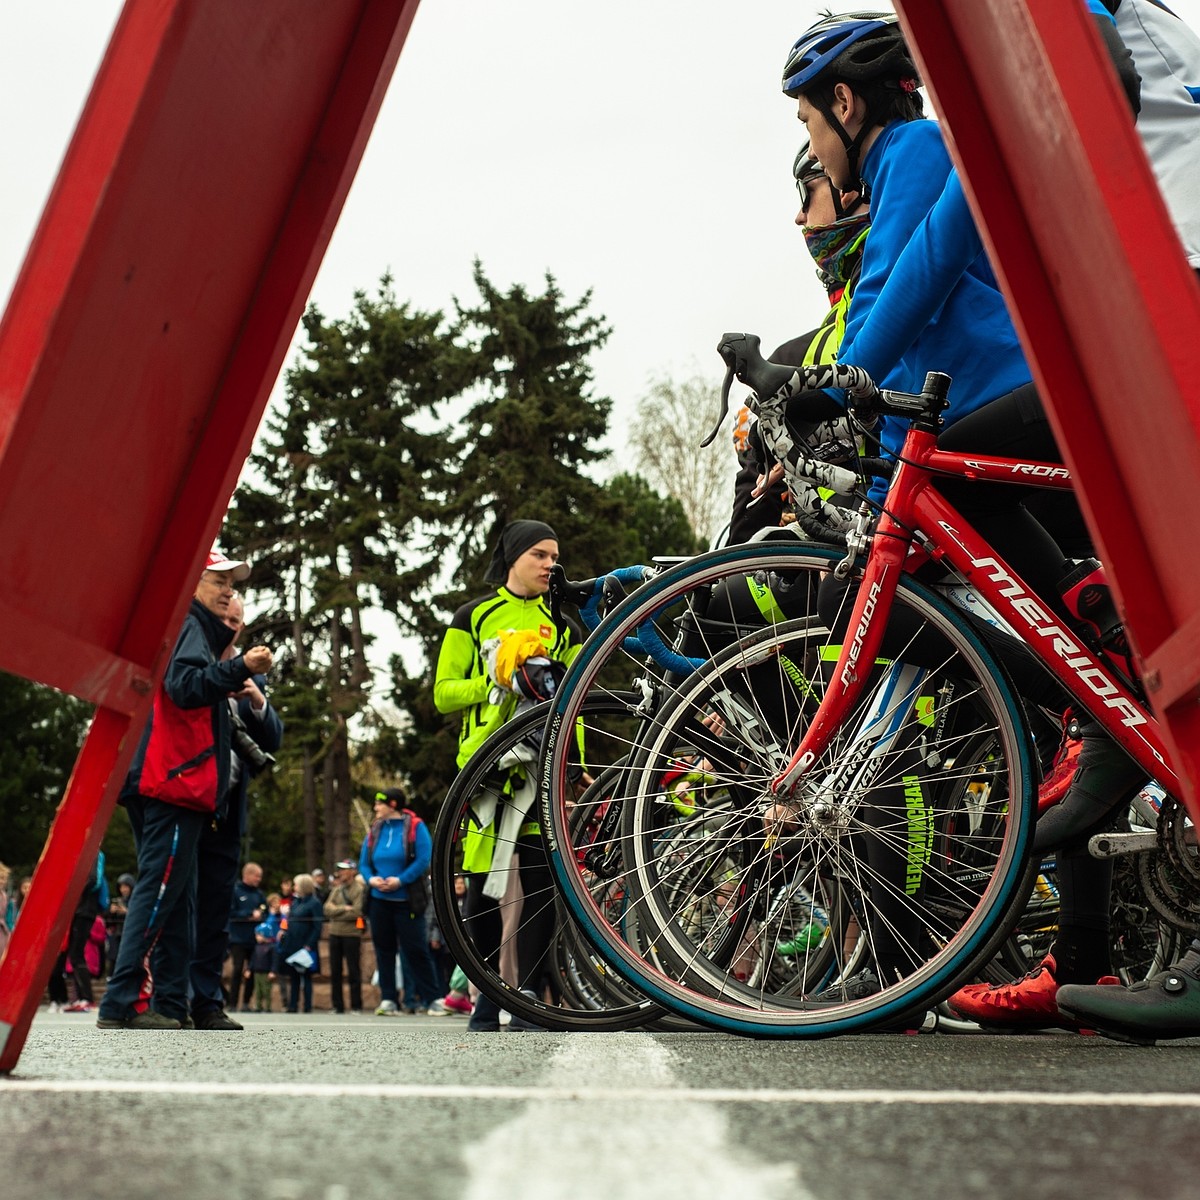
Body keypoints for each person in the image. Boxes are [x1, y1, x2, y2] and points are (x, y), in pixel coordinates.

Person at [96, 549, 274, 1031]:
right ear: (192, 583)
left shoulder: (188, 626)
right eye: (218, 581)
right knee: (157, 893)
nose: (227, 592)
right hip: (174, 784)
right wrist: (240, 671)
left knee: (176, 900)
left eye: (232, 586)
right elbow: (183, 686)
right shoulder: (190, 624)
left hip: (169, 783)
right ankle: (120, 1001)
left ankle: (171, 1004)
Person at [433, 519, 581, 1031]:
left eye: (555, 556)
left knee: (542, 885)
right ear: (514, 556)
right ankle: (485, 1000)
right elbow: (443, 692)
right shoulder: (471, 616)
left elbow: (573, 700)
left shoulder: (562, 623)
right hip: (486, 769)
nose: (550, 565)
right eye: (540, 554)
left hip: (541, 764)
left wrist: (574, 766)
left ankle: (529, 1001)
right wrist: (496, 680)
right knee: (482, 889)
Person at [188, 591, 283, 1030]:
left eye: (239, 621)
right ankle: (174, 995)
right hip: (185, 802)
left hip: (227, 809)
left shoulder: (253, 676)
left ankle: (207, 1001)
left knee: (216, 911)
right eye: (226, 617)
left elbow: (273, 741)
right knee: (181, 905)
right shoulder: (192, 659)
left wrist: (256, 700)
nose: (233, 626)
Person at [359, 788, 441, 1016]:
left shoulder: (416, 826)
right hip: (379, 901)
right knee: (383, 950)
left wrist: (400, 880)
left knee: (416, 949)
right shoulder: (375, 829)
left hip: (407, 901)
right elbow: (364, 863)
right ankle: (388, 999)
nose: (375, 808)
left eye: (379, 803)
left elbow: (424, 859)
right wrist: (371, 879)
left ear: (393, 804)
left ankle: (433, 998)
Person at [323, 859, 366, 1014]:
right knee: (335, 971)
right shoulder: (337, 889)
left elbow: (357, 911)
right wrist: (343, 908)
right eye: (339, 869)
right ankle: (337, 1005)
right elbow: (326, 908)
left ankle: (356, 1005)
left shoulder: (358, 890)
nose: (340, 872)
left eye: (344, 869)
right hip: (335, 933)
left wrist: (337, 910)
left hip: (351, 935)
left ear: (353, 871)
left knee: (353, 970)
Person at [277, 873, 324, 1013]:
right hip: (293, 943)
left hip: (306, 945)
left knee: (306, 976)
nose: (294, 887)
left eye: (296, 884)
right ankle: (293, 1005)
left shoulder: (314, 903)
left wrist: (309, 944)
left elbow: (317, 926)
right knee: (294, 976)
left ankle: (307, 1006)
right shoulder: (296, 902)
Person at [226, 861, 267, 1014]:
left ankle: (246, 1002)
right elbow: (231, 912)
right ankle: (232, 1003)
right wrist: (248, 915)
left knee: (253, 970)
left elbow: (266, 911)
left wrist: (261, 916)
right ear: (247, 875)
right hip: (238, 938)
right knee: (237, 970)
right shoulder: (235, 891)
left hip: (255, 939)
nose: (258, 879)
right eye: (257, 876)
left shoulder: (259, 894)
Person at [105, 872, 135, 978]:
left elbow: (138, 917)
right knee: (113, 957)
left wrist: (127, 912)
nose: (123, 889)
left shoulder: (135, 901)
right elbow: (108, 923)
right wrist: (111, 913)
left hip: (130, 934)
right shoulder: (118, 901)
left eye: (126, 886)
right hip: (117, 933)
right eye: (121, 887)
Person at [248, 919, 278, 1013]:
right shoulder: (256, 946)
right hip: (257, 972)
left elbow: (274, 961)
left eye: (258, 935)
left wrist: (273, 971)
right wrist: (249, 969)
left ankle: (268, 1007)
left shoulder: (272, 947)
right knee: (258, 990)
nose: (256, 937)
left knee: (266, 990)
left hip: (266, 972)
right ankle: (258, 1006)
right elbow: (253, 959)